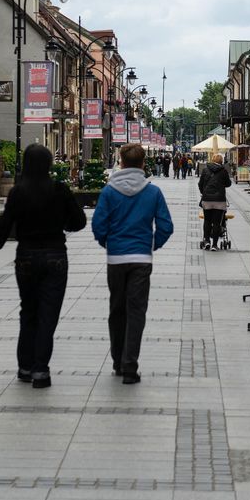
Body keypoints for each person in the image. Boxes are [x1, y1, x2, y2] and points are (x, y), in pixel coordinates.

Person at [0, 144, 85, 389]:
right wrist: (62, 223)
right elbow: (79, 222)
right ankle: (41, 370)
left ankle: (25, 366)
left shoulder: (18, 192)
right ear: (49, 164)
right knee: (48, 315)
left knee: (28, 311)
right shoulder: (60, 190)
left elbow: (3, 228)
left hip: (26, 257)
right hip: (56, 255)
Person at [90, 143, 173, 384]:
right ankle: (130, 364)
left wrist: (107, 242)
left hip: (116, 259)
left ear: (121, 162)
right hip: (141, 259)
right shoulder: (153, 192)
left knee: (117, 309)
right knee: (136, 311)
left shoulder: (109, 191)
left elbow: (98, 225)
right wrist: (152, 244)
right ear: (144, 163)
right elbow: (166, 226)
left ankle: (117, 359)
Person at [198, 153, 232, 251]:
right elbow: (228, 184)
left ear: (212, 160)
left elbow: (200, 184)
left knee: (207, 221)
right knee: (217, 223)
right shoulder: (223, 171)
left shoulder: (205, 169)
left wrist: (204, 192)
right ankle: (214, 245)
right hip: (219, 201)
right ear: (221, 161)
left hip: (207, 200)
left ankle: (207, 241)